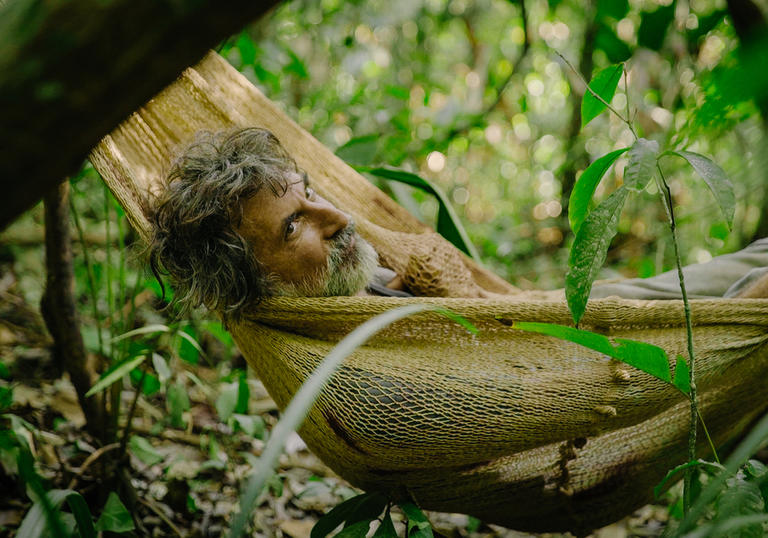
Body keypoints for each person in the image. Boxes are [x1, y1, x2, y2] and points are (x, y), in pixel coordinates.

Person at [148, 127, 768, 319]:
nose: (337, 216)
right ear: (246, 277)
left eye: (310, 193)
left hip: (550, 307)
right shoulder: (332, 340)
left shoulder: (334, 278)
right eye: (293, 227)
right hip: (574, 344)